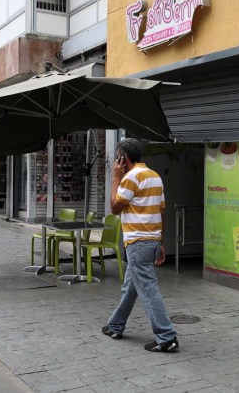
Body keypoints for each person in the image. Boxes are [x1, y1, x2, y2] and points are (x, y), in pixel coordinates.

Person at [102, 138, 179, 352]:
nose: (116, 162)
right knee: (131, 286)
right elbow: (161, 211)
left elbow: (115, 208)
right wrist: (160, 242)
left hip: (137, 242)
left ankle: (166, 336)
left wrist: (116, 178)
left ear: (123, 158)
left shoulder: (130, 178)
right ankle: (116, 325)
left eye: (117, 157)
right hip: (151, 241)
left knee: (148, 289)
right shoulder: (154, 177)